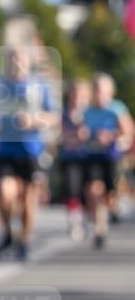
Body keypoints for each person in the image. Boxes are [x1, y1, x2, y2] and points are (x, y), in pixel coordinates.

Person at [0, 46, 59, 261]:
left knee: (28, 200)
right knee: (2, 193)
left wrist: (34, 120)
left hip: (31, 148)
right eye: (13, 59)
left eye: (20, 59)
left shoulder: (38, 85)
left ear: (28, 62)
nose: (16, 62)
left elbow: (54, 116)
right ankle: (8, 233)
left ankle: (24, 241)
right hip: (5, 148)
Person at [82, 73, 134, 248]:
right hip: (93, 155)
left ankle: (111, 211)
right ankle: (99, 228)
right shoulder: (87, 111)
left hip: (112, 156)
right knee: (94, 190)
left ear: (110, 92)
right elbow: (80, 131)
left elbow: (128, 131)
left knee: (109, 195)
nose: (99, 94)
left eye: (102, 90)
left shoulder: (117, 108)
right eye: (96, 90)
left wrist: (111, 135)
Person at [59, 78, 92, 241]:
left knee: (88, 190)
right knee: (72, 189)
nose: (77, 96)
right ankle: (74, 223)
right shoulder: (64, 112)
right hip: (70, 157)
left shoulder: (92, 112)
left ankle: (87, 219)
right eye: (74, 93)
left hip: (89, 157)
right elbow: (60, 134)